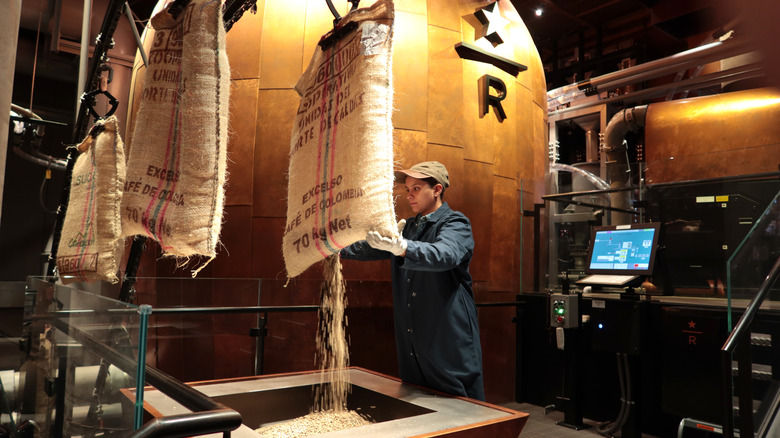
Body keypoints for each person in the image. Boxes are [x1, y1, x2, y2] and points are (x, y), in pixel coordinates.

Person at [340, 161, 485, 400]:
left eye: (416, 188)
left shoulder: (456, 223)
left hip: (445, 336)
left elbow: (444, 254)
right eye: (407, 190)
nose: (409, 195)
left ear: (437, 189)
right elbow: (371, 248)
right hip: (412, 339)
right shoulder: (409, 227)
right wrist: (334, 249)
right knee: (419, 398)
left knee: (460, 404)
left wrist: (403, 246)